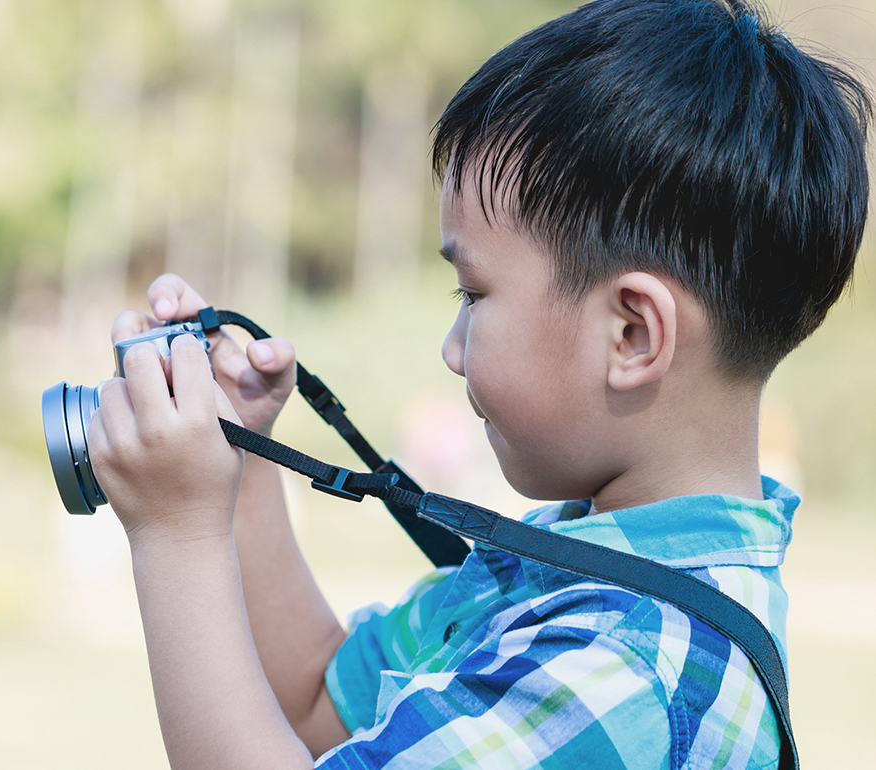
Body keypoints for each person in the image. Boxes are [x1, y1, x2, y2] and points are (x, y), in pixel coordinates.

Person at [85, 0, 871, 767]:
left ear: (632, 334)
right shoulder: (565, 573)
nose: (452, 349)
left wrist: (176, 533)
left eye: (473, 295)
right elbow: (313, 710)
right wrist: (246, 456)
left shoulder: (624, 672)